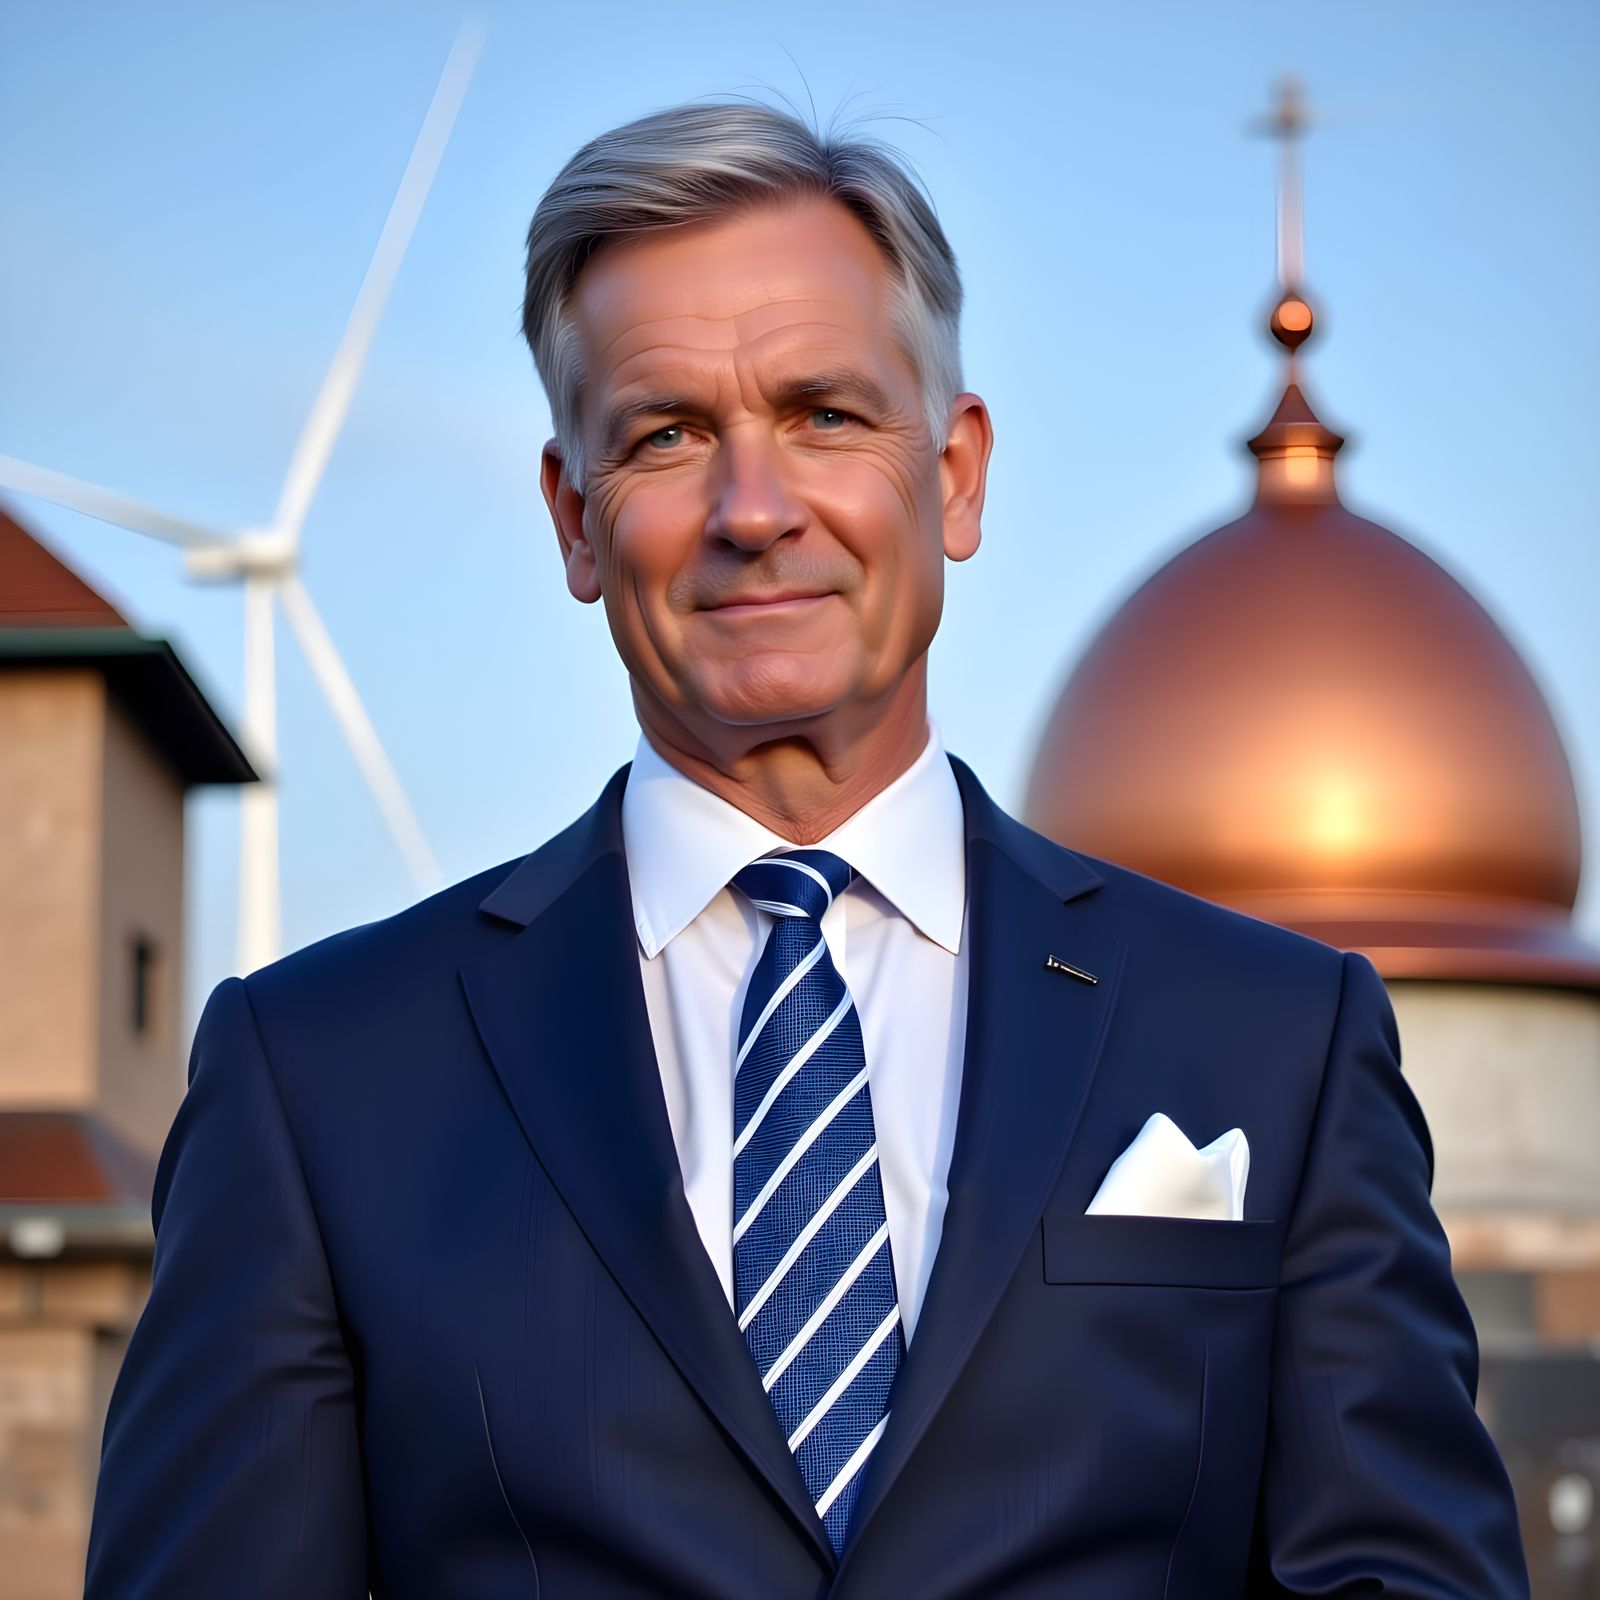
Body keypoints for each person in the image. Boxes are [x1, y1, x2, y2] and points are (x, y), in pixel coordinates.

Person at [84, 102, 1528, 1598]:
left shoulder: (1273, 1045)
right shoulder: (320, 1078)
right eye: (666, 436)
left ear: (956, 476)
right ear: (575, 520)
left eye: (826, 413)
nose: (754, 511)